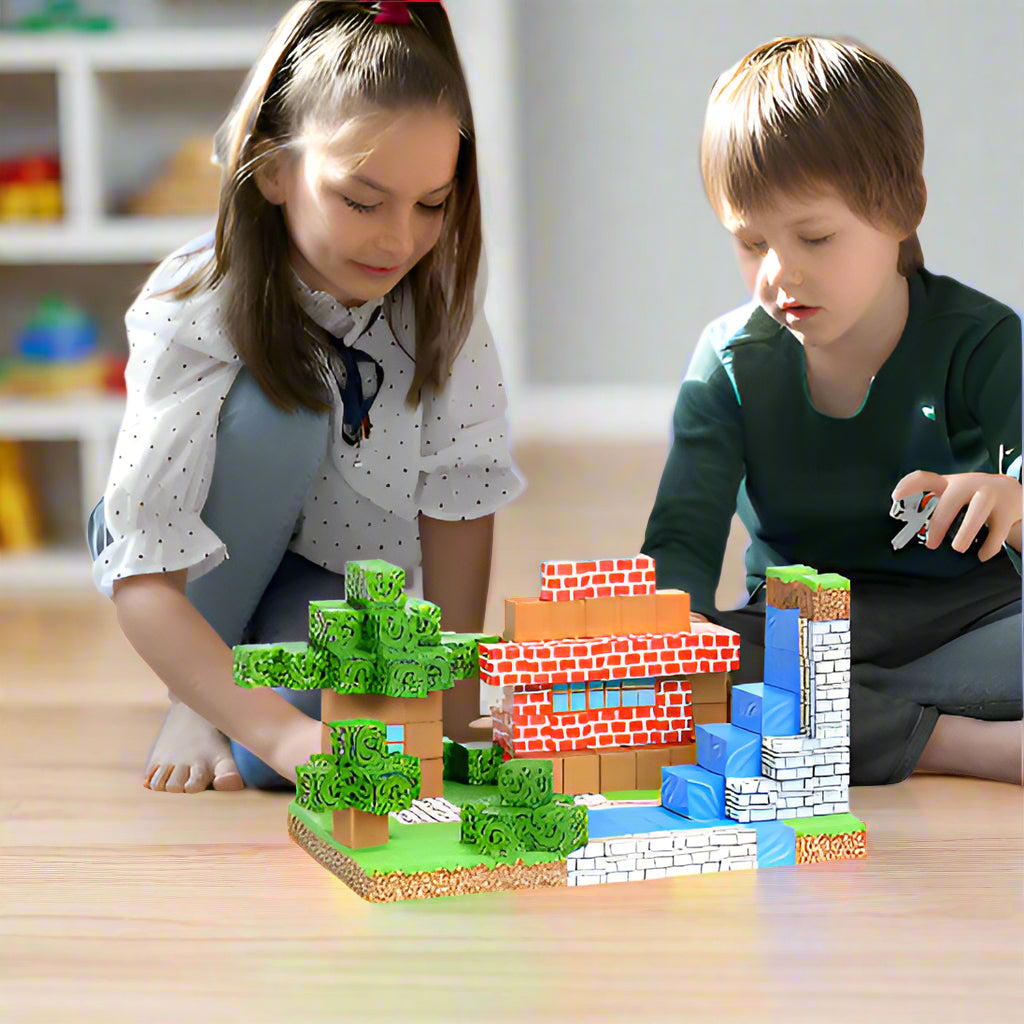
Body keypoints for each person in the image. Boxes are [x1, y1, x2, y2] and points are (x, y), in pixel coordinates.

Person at [88, 0, 522, 793]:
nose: (399, 240)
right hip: (193, 561)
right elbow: (144, 569)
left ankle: (223, 690)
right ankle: (194, 693)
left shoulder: (441, 301)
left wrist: (457, 713)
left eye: (432, 203)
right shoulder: (195, 305)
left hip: (325, 569)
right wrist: (283, 732)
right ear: (274, 171)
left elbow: (458, 500)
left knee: (275, 762)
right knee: (284, 414)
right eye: (362, 200)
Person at [642, 36, 1022, 786]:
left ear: (902, 209)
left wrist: (1011, 502)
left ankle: (832, 716)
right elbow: (680, 542)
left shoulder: (982, 339)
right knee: (678, 670)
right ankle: (959, 743)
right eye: (751, 243)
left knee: (746, 699)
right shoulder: (730, 362)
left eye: (814, 236)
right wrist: (672, 634)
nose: (779, 273)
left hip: (971, 619)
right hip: (797, 632)